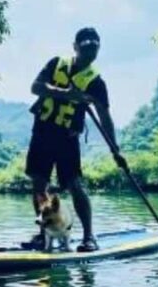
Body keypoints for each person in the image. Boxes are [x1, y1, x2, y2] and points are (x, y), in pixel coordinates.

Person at [23, 27, 121, 252]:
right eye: (85, 46)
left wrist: (115, 149)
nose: (90, 50)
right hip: (43, 132)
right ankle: (43, 234)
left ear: (98, 50)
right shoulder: (56, 63)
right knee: (39, 184)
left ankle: (89, 237)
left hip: (67, 138)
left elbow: (104, 116)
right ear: (75, 47)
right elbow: (35, 87)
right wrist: (66, 94)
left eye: (94, 47)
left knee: (75, 185)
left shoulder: (96, 83)